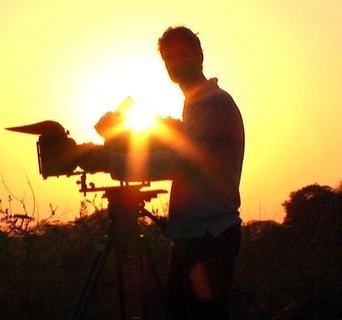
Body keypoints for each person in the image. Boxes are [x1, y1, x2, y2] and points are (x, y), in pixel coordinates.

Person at [82, 26, 245, 319]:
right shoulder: (196, 105)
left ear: (199, 56)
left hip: (209, 236)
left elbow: (177, 161)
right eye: (169, 57)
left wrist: (106, 159)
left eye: (183, 54)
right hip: (194, 234)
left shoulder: (212, 103)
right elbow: (174, 146)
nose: (176, 62)